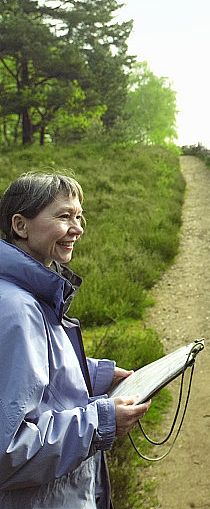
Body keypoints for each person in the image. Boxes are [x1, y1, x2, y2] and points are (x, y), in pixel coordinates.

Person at [0, 172, 151, 508]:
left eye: (79, 216)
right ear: (20, 226)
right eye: (64, 216)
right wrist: (101, 421)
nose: (78, 228)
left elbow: (35, 370)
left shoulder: (30, 293)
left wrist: (96, 375)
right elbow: (7, 450)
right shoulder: (16, 309)